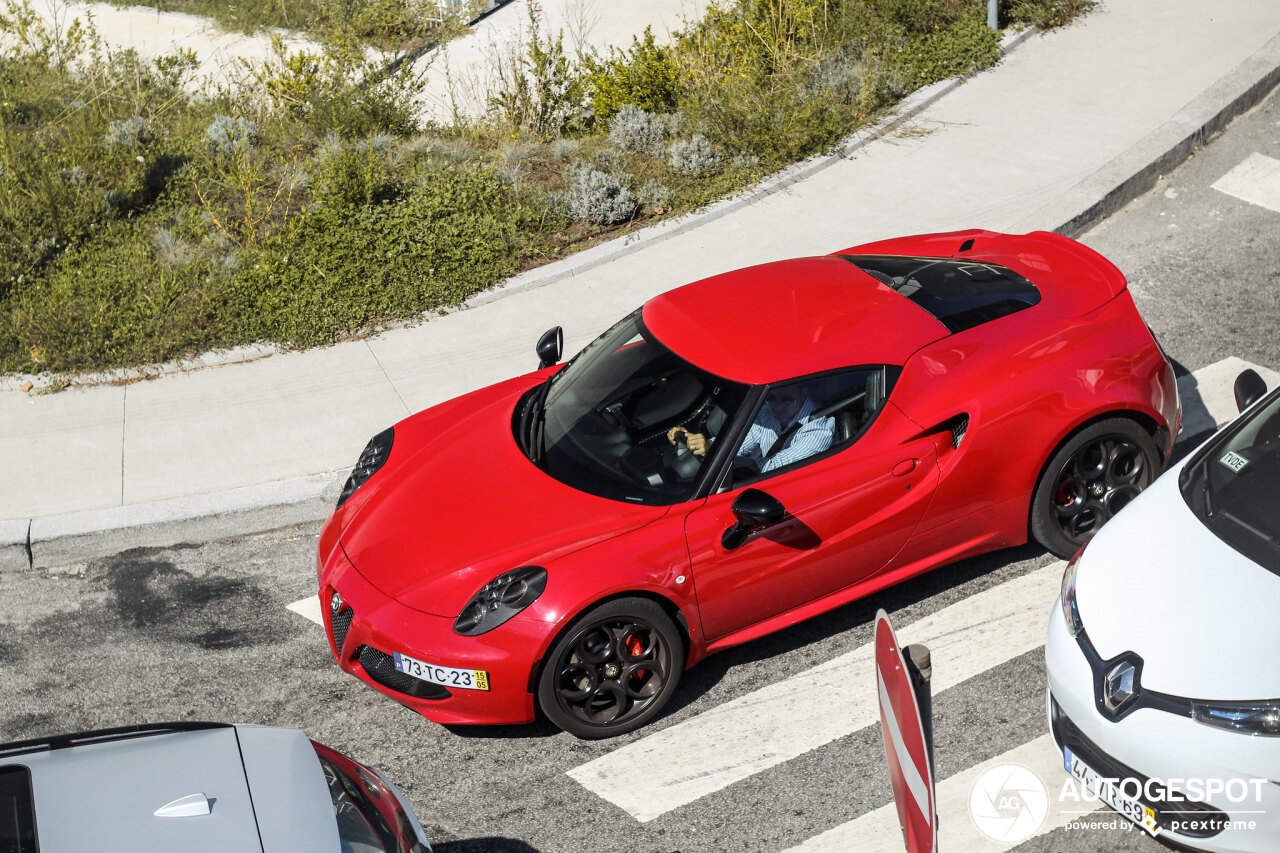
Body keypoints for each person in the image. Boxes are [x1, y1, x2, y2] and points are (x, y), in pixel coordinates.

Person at [668, 385, 835, 475]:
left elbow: (773, 467)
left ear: (804, 391)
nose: (778, 407)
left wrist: (713, 451)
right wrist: (698, 442)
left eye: (787, 400)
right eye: (772, 399)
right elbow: (737, 444)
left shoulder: (818, 431)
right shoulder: (766, 412)